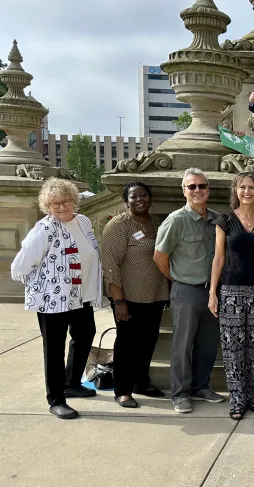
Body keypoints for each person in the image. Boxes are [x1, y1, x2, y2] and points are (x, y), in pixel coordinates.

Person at [11, 178, 100, 419]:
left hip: (81, 296)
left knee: (84, 335)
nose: (61, 207)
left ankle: (71, 383)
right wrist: (40, 285)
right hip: (52, 299)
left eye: (66, 201)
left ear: (74, 201)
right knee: (54, 347)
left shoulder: (83, 222)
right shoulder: (45, 228)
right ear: (47, 206)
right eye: (54, 204)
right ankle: (56, 399)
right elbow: (21, 264)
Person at [154, 168, 224, 414]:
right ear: (184, 191)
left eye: (201, 186)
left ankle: (201, 387)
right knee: (182, 345)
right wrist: (175, 279)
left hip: (213, 292)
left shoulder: (217, 219)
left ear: (208, 190)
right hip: (186, 291)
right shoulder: (175, 220)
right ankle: (180, 393)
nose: (197, 191)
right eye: (191, 186)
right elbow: (160, 256)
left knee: (208, 343)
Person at [209, 172, 254, 420]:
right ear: (235, 192)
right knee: (233, 348)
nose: (247, 192)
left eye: (251, 187)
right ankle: (237, 399)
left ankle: (253, 395)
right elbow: (219, 258)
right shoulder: (224, 221)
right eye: (242, 187)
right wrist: (212, 293)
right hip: (231, 291)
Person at [101, 181, 168, 409]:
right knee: (127, 344)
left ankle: (142, 383)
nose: (139, 199)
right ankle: (123, 390)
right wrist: (118, 301)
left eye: (143, 195)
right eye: (134, 196)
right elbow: (110, 265)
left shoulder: (157, 223)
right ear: (126, 201)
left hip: (156, 294)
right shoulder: (119, 226)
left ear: (150, 198)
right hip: (128, 297)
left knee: (148, 342)